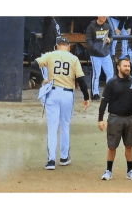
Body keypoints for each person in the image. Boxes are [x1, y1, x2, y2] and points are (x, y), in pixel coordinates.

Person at [33, 37, 90, 170]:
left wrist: (42, 79)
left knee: (52, 127)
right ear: (68, 47)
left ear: (57, 46)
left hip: (52, 93)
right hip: (67, 94)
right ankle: (64, 158)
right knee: (65, 126)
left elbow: (34, 64)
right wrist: (86, 97)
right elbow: (81, 79)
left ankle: (51, 160)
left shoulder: (50, 55)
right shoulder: (73, 58)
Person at [98, 56, 132, 181]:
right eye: (125, 66)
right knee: (112, 146)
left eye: (129, 66)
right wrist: (100, 119)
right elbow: (104, 102)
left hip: (130, 119)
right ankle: (108, 170)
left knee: (129, 146)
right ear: (118, 67)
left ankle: (130, 170)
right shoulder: (111, 83)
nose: (127, 68)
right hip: (114, 119)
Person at [86, 16, 114, 101]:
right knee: (96, 74)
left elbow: (112, 36)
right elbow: (88, 40)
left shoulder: (107, 26)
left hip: (106, 54)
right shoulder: (91, 26)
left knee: (110, 73)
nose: (105, 17)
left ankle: (107, 93)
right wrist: (95, 48)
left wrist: (110, 40)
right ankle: (95, 94)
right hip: (95, 55)